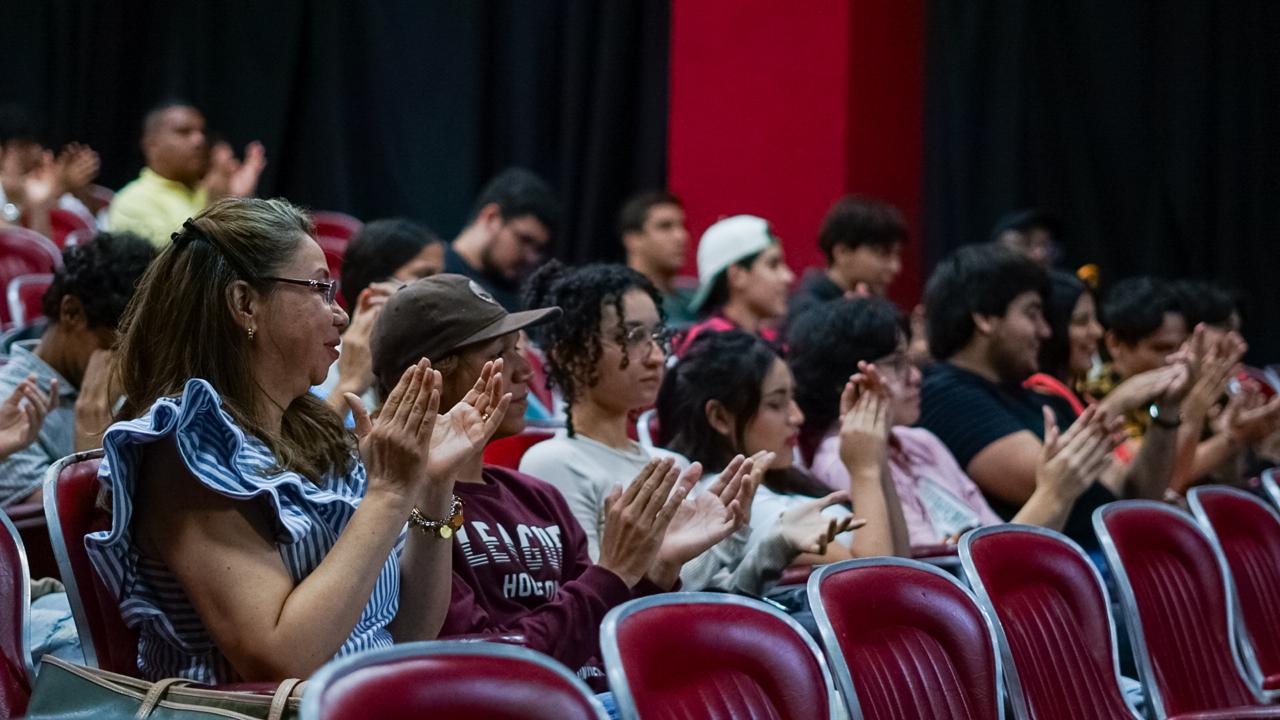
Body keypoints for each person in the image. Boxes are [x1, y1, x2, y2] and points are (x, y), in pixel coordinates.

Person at [85, 198, 503, 683]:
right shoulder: (184, 445)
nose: (341, 316)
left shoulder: (316, 431)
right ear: (245, 303)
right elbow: (278, 660)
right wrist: (387, 496)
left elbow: (407, 631)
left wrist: (430, 485)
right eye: (321, 290)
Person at [369, 273, 743, 689]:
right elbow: (491, 666)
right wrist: (613, 571)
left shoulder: (537, 497)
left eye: (520, 351)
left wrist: (657, 569)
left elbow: (605, 637)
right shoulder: (405, 512)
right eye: (500, 354)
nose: (524, 372)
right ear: (431, 380)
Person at [915, 244, 1186, 552]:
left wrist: (1167, 411)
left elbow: (1138, 496)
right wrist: (1117, 403)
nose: (1045, 331)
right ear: (985, 319)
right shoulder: (946, 395)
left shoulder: (1036, 396)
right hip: (1051, 582)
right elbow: (1053, 481)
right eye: (1031, 314)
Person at [790, 296, 1120, 546]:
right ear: (845, 381)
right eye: (896, 364)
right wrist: (1054, 493)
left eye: (911, 362)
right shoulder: (839, 460)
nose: (916, 377)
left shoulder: (921, 441)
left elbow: (991, 535)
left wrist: (1058, 491)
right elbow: (933, 580)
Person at [659, 330, 909, 576]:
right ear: (720, 417)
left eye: (793, 398)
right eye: (776, 404)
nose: (797, 417)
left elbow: (903, 561)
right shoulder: (735, 497)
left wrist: (875, 452)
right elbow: (873, 581)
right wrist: (865, 469)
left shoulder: (786, 481)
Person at [517, 261, 691, 560]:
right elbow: (597, 590)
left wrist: (767, 544)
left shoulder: (674, 464)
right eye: (632, 337)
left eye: (658, 336)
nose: (657, 357)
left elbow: (716, 589)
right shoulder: (553, 463)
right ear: (570, 356)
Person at [0, 231, 155, 506]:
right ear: (71, 312)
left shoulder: (133, 391)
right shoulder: (9, 400)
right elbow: (43, 536)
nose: (132, 367)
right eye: (119, 348)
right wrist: (91, 451)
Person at [319, 218, 445, 413]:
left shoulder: (435, 357)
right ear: (375, 288)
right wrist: (350, 385)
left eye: (440, 276)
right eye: (424, 275)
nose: (439, 288)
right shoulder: (325, 368)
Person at [108, 101, 266, 246]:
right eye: (184, 132)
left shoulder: (210, 189)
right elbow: (175, 266)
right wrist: (218, 202)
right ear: (151, 145)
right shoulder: (132, 201)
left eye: (202, 132)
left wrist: (241, 200)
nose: (199, 140)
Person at [675, 214, 794, 355]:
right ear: (737, 276)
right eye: (773, 265)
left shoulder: (773, 341)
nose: (788, 277)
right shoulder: (707, 350)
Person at [445, 167, 558, 311]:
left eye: (538, 248)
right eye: (524, 240)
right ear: (491, 217)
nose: (532, 257)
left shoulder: (517, 300)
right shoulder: (431, 271)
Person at [787, 195, 906, 327]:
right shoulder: (807, 313)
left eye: (896, 254)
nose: (895, 267)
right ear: (842, 252)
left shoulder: (873, 304)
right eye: (883, 254)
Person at [0, 103, 100, 238]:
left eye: (36, 144)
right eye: (23, 146)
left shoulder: (41, 193)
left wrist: (75, 192)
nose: (36, 153)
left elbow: (41, 255)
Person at [619, 190, 696, 326]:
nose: (681, 236)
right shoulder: (616, 304)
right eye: (665, 226)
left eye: (683, 226)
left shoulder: (697, 298)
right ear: (633, 239)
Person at [990, 208, 1059, 267]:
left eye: (1047, 246)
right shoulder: (982, 277)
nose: (1041, 254)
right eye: (1026, 243)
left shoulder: (1063, 281)